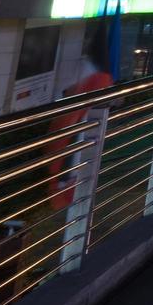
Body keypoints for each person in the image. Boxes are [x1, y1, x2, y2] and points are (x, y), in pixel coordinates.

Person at [49, 37, 114, 211]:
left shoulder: (91, 75)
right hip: (78, 129)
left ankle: (70, 190)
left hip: (81, 129)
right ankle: (68, 189)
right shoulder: (89, 77)